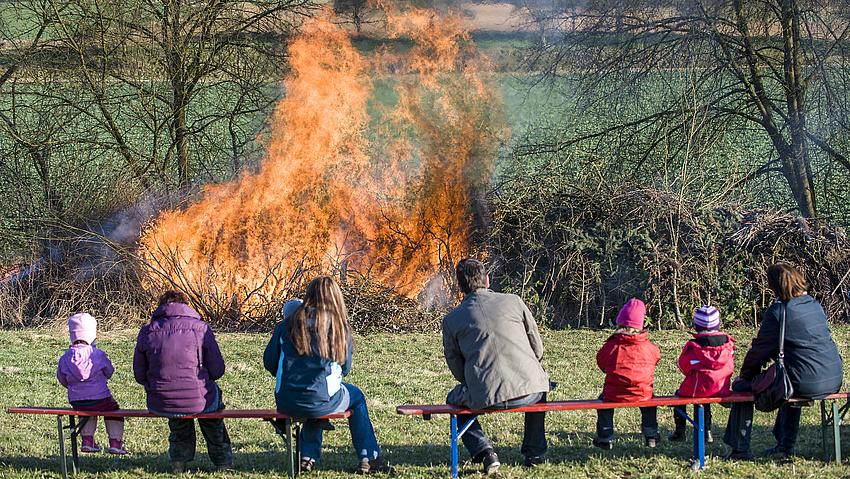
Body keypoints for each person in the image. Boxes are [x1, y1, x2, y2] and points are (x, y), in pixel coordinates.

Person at [263, 277, 394, 475]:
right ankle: (369, 458)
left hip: (287, 399)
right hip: (321, 398)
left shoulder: (287, 324)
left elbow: (269, 362)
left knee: (314, 393)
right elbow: (345, 367)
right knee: (355, 397)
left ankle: (307, 456)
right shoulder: (338, 327)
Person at [723, 262, 843, 460]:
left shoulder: (779, 312)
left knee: (742, 388)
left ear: (775, 287)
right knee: (789, 375)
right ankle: (785, 444)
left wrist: (744, 376)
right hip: (833, 378)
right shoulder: (814, 304)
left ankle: (740, 449)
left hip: (805, 381)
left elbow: (759, 351)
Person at [442, 258, 552, 474]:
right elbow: (537, 348)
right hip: (530, 391)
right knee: (540, 386)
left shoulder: (451, 319)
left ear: (459, 286)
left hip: (484, 396)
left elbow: (455, 364)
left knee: (453, 400)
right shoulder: (515, 301)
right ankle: (534, 452)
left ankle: (485, 453)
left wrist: (474, 383)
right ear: (487, 280)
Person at [133, 290, 233, 474]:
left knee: (178, 420)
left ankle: (179, 464)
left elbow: (140, 375)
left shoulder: (147, 332)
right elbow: (217, 370)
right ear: (186, 306)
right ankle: (223, 463)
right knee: (213, 419)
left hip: (162, 400)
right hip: (201, 399)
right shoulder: (201, 328)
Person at [593, 298, 661, 450]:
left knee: (603, 403)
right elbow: (656, 358)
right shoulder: (650, 347)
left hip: (614, 393)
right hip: (642, 393)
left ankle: (605, 437)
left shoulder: (611, 345)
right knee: (650, 402)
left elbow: (601, 362)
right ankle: (651, 435)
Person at [57, 313, 127, 455]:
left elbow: (62, 379)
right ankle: (115, 443)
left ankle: (87, 441)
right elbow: (110, 372)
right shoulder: (97, 354)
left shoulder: (65, 357)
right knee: (114, 411)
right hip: (101, 398)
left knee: (86, 411)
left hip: (77, 401)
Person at [668, 305, 735, 444]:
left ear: (696, 326)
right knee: (704, 395)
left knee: (682, 394)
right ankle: (707, 431)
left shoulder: (694, 346)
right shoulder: (728, 344)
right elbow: (731, 366)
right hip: (722, 389)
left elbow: (683, 367)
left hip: (699, 389)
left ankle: (680, 432)